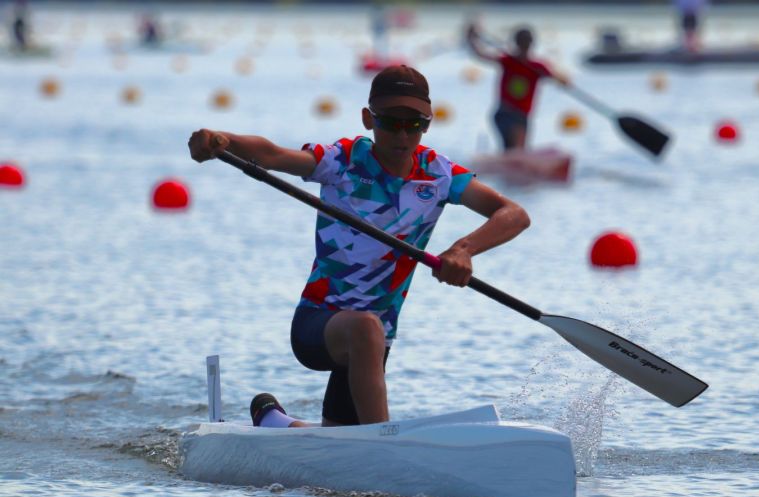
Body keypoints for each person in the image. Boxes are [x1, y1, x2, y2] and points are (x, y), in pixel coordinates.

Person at [188, 65, 531, 428]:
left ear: (427, 125)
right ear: (369, 119)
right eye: (390, 122)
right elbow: (273, 155)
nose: (402, 134)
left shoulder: (439, 175)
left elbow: (515, 214)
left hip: (376, 339)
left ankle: (272, 420)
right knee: (368, 332)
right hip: (319, 324)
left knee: (338, 438)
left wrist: (463, 249)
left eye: (413, 124)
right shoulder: (342, 161)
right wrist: (221, 141)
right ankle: (383, 447)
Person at [465, 23, 569, 152]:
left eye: (526, 42)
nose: (524, 45)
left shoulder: (537, 67)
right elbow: (480, 54)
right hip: (505, 113)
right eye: (522, 42)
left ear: (530, 44)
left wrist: (562, 80)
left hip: (520, 115)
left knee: (513, 150)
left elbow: (561, 79)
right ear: (517, 43)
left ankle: (508, 160)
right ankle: (511, 159)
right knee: (516, 149)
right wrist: (471, 39)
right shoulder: (508, 61)